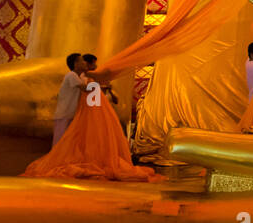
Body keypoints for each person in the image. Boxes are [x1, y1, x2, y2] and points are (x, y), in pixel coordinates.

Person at [23, 56, 163, 183]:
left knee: (76, 140)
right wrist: (101, 86)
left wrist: (104, 88)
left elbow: (96, 98)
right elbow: (87, 92)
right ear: (79, 64)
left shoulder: (88, 78)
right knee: (63, 142)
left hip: (88, 110)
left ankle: (62, 161)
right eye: (85, 62)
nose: (92, 65)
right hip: (71, 112)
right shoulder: (78, 77)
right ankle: (56, 162)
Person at [53, 53, 88, 146]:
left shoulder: (80, 77)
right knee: (61, 143)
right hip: (65, 114)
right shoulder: (71, 75)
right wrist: (99, 86)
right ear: (76, 64)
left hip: (72, 114)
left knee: (69, 144)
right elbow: (85, 88)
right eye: (82, 60)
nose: (85, 63)